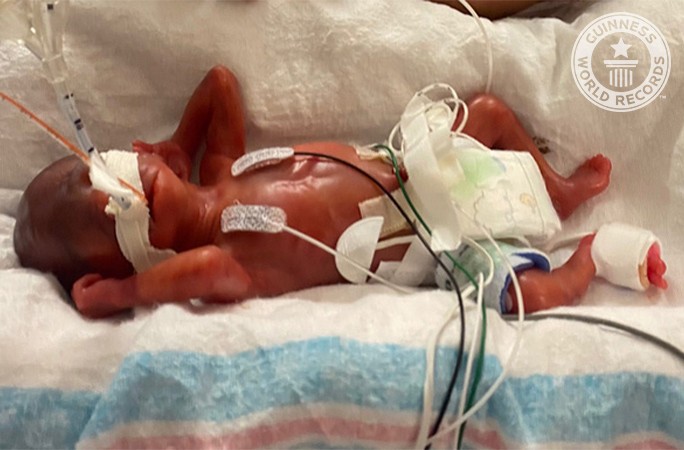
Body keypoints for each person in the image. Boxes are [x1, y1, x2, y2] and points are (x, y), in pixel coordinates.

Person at [13, 65, 661, 319]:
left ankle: (557, 191)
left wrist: (181, 141)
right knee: (518, 295)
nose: (111, 190)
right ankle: (582, 265)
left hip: (420, 162)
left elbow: (221, 84)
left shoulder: (224, 172)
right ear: (134, 263)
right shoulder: (224, 259)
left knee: (487, 112)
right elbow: (203, 273)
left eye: (97, 170)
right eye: (103, 216)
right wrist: (122, 297)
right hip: (432, 243)